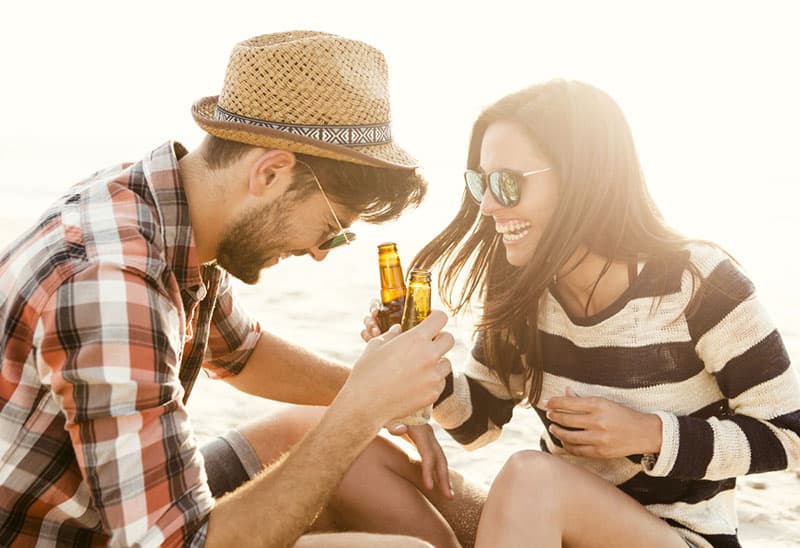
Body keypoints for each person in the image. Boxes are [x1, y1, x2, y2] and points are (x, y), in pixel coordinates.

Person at [0, 31, 486, 548]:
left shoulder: (165, 211)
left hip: (104, 512)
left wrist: (384, 399)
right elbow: (181, 543)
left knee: (346, 441)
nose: (322, 252)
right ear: (271, 172)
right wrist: (359, 410)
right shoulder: (111, 282)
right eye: (331, 227)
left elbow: (243, 353)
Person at [363, 79, 800, 547]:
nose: (488, 206)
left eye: (506, 183)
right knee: (359, 455)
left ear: (582, 180)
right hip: (553, 528)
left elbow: (789, 438)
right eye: (480, 182)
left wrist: (650, 434)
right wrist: (426, 369)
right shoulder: (521, 282)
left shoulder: (698, 283)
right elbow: (479, 423)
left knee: (533, 477)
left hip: (680, 538)